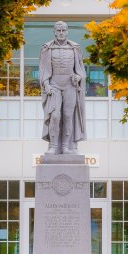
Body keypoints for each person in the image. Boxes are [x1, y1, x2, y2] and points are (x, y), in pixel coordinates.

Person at [39, 21, 86, 154]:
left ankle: (66, 146)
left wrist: (79, 77)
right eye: (58, 30)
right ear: (54, 31)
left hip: (70, 85)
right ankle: (54, 146)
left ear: (67, 31)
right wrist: (46, 84)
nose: (61, 33)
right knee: (55, 116)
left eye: (63, 30)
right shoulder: (47, 48)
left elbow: (81, 70)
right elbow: (43, 70)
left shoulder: (75, 48)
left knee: (68, 116)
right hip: (54, 85)